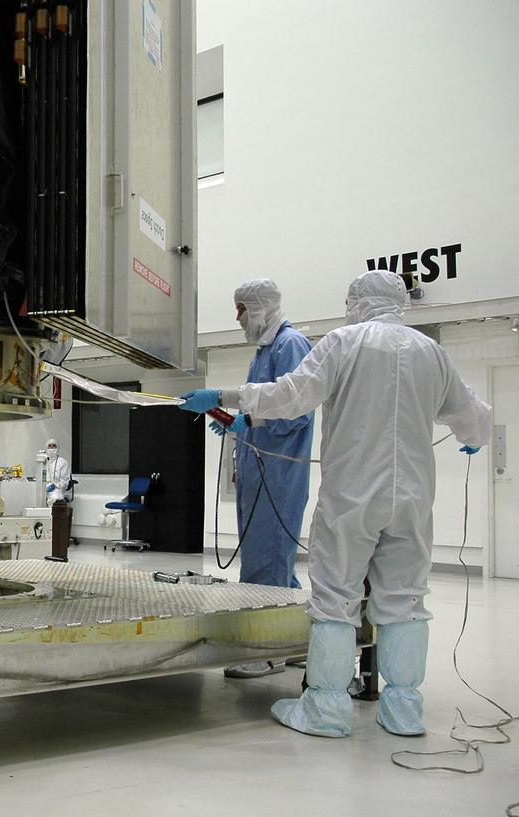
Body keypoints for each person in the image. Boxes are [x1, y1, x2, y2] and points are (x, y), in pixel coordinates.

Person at [179, 270, 490, 738]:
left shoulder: (343, 343)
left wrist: (222, 397)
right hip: (411, 497)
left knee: (336, 599)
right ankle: (403, 710)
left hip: (352, 496)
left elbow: (289, 395)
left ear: (358, 302)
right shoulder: (431, 351)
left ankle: (326, 709)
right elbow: (470, 412)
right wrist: (475, 438)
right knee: (406, 600)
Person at [214, 279, 315, 679]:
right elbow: (260, 405)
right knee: (276, 562)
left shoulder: (289, 346)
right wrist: (239, 425)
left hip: (279, 473)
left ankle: (266, 648)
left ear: (258, 307)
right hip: (261, 471)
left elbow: (296, 412)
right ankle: (298, 640)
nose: (237, 317)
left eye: (241, 308)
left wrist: (249, 420)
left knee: (266, 560)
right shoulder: (266, 351)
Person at [44, 437, 71, 505]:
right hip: (43, 488)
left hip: (57, 489)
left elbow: (65, 482)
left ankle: (51, 514)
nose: (51, 449)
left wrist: (54, 486)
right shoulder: (42, 462)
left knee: (54, 498)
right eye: (49, 446)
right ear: (46, 448)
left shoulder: (63, 462)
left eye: (54, 446)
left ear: (57, 448)